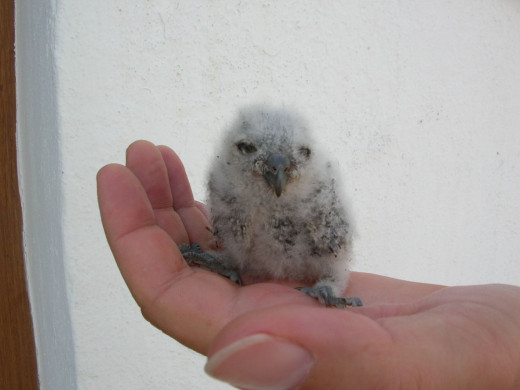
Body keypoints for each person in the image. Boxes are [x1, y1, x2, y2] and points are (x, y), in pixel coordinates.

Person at [97, 140, 520, 390]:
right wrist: (226, 257)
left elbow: (334, 251)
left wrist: (329, 287)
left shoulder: (317, 203)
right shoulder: (234, 192)